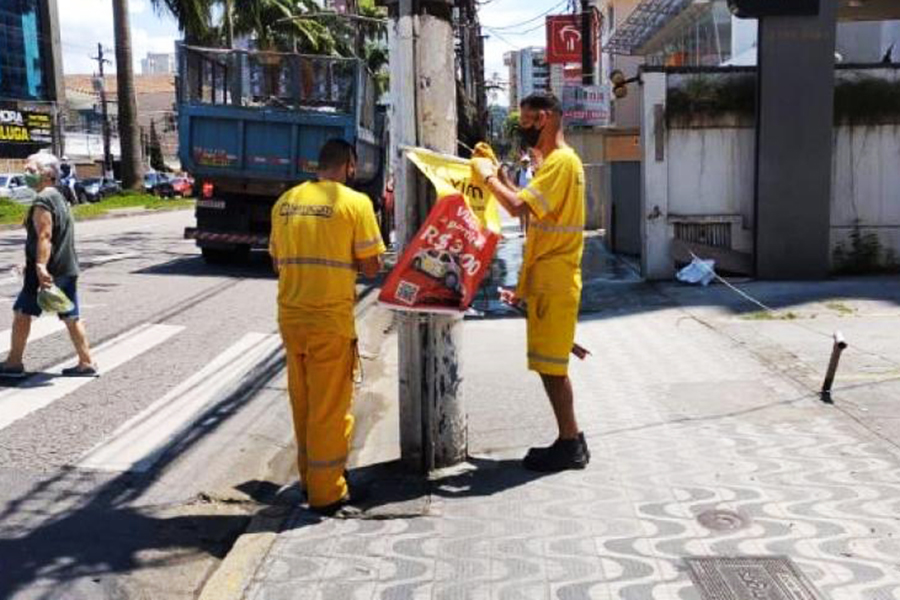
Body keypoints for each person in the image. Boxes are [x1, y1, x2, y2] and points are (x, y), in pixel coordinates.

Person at [470, 92, 589, 472]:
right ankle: (570, 440)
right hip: (548, 277)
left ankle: (570, 443)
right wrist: (502, 176)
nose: (523, 129)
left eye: (526, 121)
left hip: (555, 278)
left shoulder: (561, 162)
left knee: (553, 368)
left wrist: (487, 178)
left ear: (547, 117)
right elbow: (528, 208)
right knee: (548, 364)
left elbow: (518, 208)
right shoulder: (555, 164)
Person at [269, 139, 385, 515]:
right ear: (350, 165)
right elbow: (371, 267)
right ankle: (327, 492)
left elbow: (276, 262)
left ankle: (308, 478)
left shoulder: (285, 203)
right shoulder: (355, 203)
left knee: (303, 405)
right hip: (329, 321)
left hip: (291, 318)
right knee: (330, 410)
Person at [0, 152, 97, 378]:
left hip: (48, 271)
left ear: (48, 174)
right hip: (66, 267)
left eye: (31, 170)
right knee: (71, 315)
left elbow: (45, 235)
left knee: (22, 312)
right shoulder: (58, 196)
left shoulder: (43, 199)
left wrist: (40, 265)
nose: (26, 174)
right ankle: (86, 362)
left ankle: (13, 364)